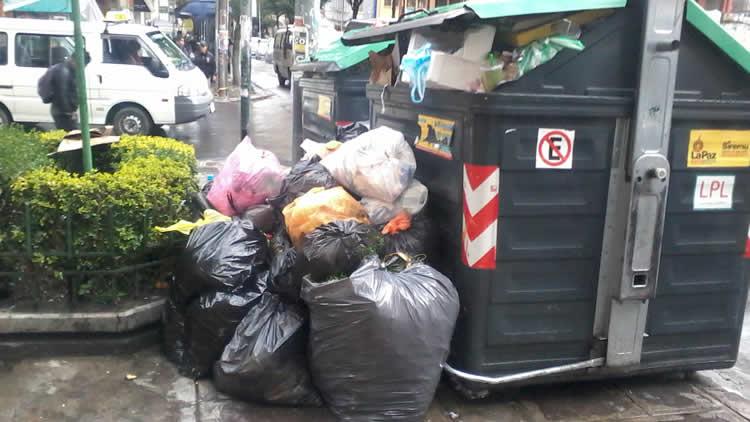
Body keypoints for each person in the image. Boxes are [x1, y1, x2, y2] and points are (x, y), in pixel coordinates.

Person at [49, 52, 90, 132]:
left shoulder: (68, 70)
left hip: (62, 111)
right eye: (83, 65)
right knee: (71, 136)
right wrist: (70, 112)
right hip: (63, 113)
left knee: (70, 135)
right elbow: (63, 94)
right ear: (75, 61)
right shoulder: (65, 72)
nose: (83, 68)